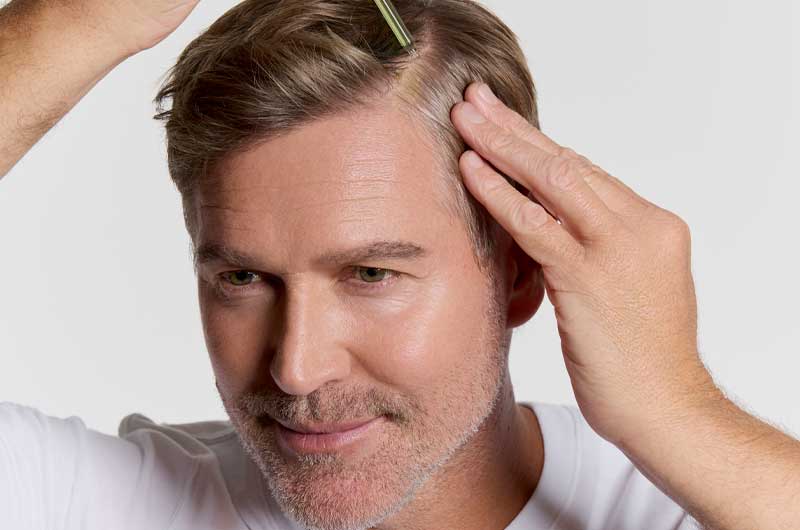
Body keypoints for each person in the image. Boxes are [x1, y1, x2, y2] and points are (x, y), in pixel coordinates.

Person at [1, 1, 798, 529]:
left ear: (520, 274)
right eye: (242, 279)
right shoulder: (107, 506)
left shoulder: (682, 510)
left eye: (371, 275)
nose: (297, 368)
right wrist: (81, 19)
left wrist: (675, 409)